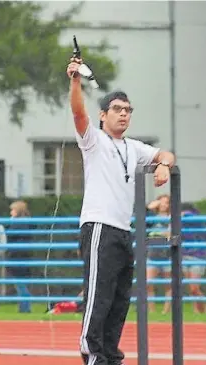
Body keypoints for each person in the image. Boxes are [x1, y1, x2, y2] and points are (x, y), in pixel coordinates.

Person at [66, 57, 175, 365]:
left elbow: (166, 153)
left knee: (119, 298)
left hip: (122, 230)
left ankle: (111, 355)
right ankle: (93, 353)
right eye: (117, 109)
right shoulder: (95, 141)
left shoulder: (134, 147)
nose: (124, 114)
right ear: (103, 115)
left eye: (128, 110)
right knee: (98, 296)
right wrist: (75, 80)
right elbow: (77, 112)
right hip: (99, 226)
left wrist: (164, 165)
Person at [146, 195, 172, 314]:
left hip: (166, 255)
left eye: (166, 202)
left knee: (168, 285)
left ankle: (165, 312)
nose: (163, 205)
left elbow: (171, 236)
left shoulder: (171, 218)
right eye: (161, 202)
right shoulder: (151, 218)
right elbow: (141, 219)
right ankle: (151, 311)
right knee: (148, 284)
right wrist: (149, 207)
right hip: (152, 255)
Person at [6, 200, 32, 313]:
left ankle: (25, 307)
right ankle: (24, 307)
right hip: (24, 256)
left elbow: (10, 235)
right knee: (21, 283)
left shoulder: (17, 224)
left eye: (13, 210)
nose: (11, 212)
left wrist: (11, 224)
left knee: (20, 284)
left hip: (16, 256)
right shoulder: (28, 222)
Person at [181, 204, 206, 314]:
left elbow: (191, 216)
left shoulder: (198, 222)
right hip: (185, 257)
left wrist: (185, 214)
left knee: (194, 288)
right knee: (192, 289)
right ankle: (197, 312)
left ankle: (202, 311)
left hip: (198, 257)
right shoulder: (180, 225)